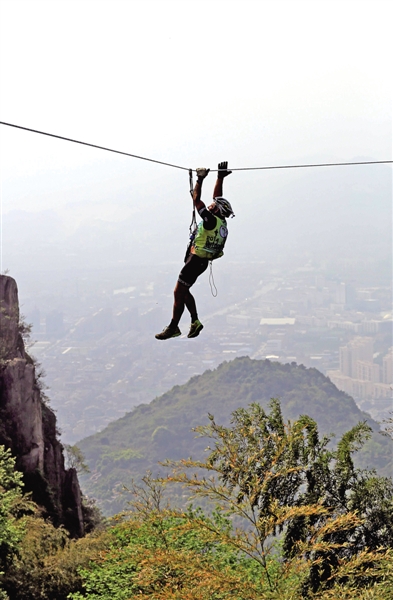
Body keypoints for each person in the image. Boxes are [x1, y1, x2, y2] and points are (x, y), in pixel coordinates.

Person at [155, 161, 234, 340]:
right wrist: (220, 177)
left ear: (218, 210)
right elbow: (217, 198)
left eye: (214, 206)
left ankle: (174, 326)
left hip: (195, 261)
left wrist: (199, 180)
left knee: (178, 292)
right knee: (184, 290)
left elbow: (197, 199)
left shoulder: (210, 220)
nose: (211, 205)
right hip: (199, 260)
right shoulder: (221, 222)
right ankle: (194, 321)